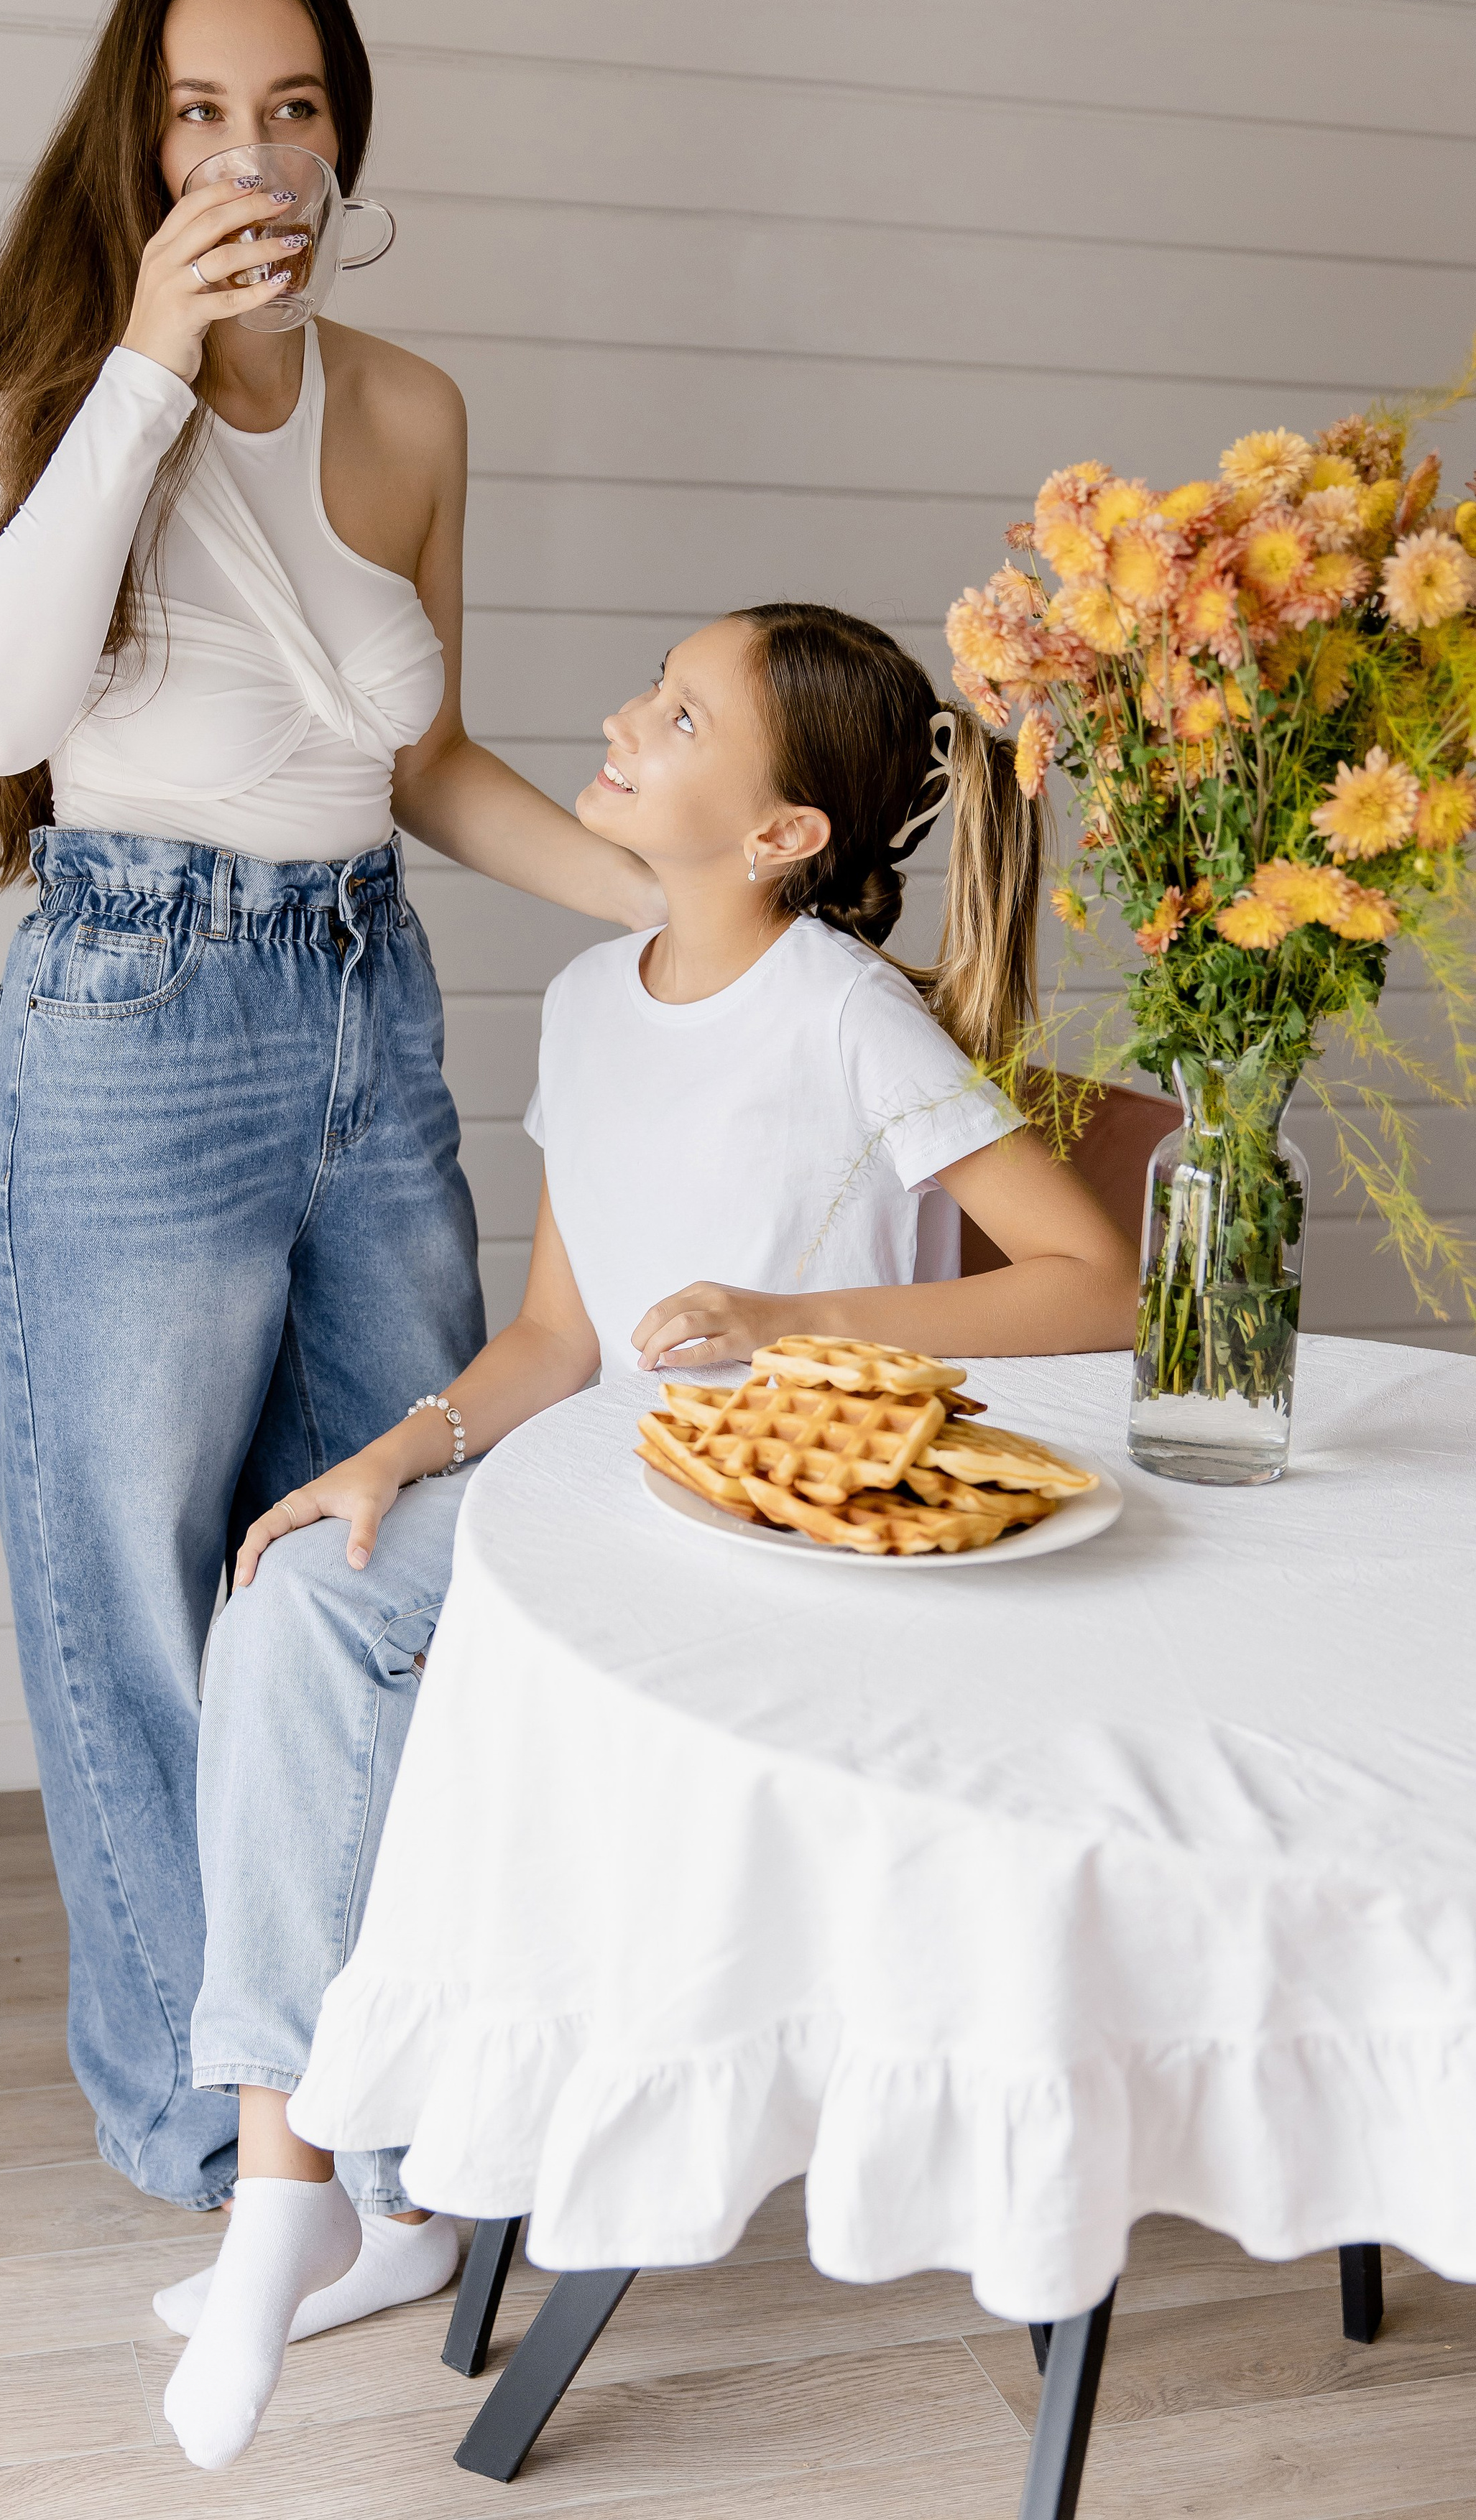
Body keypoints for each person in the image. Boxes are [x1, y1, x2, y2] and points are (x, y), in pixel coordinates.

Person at [154, 602, 1138, 2468]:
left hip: (773, 1555)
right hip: (591, 1498)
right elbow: (554, 1338)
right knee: (297, 1592)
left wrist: (793, 1320)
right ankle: (304, 2177)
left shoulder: (847, 1015)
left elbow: (1092, 1284)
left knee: (408, 1687)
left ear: (781, 836)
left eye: (680, 715)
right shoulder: (592, 1004)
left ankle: (376, 2184)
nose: (623, 718)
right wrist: (398, 1457)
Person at [0, 0, 661, 2222]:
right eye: (204, 112)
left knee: (387, 1557)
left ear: (346, 135)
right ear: (140, 142)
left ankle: (387, 2083)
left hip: (364, 1016)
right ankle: (210, 2130)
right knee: (136, 1598)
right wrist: (142, 364)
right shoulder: (43, 408)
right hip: (131, 1033)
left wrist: (672, 901)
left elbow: (411, 755)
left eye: (294, 108)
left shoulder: (410, 411)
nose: (255, 153)